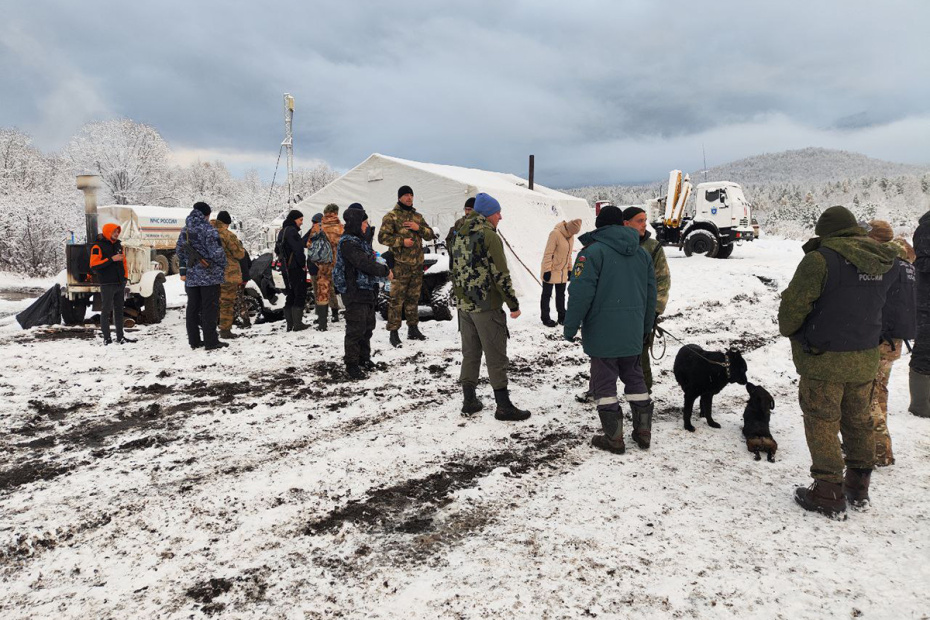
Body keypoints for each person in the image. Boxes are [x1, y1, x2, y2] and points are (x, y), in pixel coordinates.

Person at [778, 206, 899, 517]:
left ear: (825, 232)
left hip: (824, 357)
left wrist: (792, 331)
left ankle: (828, 491)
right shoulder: (883, 259)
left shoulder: (820, 259)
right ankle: (858, 486)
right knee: (859, 421)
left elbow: (793, 308)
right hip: (865, 355)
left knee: (821, 421)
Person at [563, 205, 657, 454]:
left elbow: (579, 295)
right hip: (632, 332)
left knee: (604, 383)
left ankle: (614, 438)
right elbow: (650, 296)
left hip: (603, 333)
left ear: (599, 226)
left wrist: (570, 327)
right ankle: (643, 432)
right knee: (634, 376)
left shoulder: (591, 254)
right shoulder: (642, 254)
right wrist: (644, 328)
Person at [450, 192, 530, 421]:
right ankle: (503, 406)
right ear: (487, 215)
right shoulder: (488, 236)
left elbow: (454, 270)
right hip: (486, 306)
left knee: (470, 353)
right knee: (496, 354)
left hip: (465, 306)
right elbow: (501, 274)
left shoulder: (458, 233)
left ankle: (469, 400)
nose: (500, 217)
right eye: (497, 213)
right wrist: (513, 304)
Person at [867, 221, 916, 466]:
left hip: (880, 339)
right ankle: (879, 446)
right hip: (896, 340)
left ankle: (879, 450)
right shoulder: (908, 266)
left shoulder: (886, 265)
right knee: (881, 391)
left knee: (869, 396)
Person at [334, 206, 392, 379]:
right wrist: (384, 271)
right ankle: (351, 364)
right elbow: (363, 263)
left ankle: (364, 359)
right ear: (356, 223)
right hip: (354, 291)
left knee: (367, 327)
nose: (367, 226)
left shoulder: (359, 241)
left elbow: (370, 257)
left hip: (367, 289)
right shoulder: (348, 243)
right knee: (355, 329)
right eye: (364, 222)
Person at [379, 185, 435, 347]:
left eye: (411, 195)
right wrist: (401, 242)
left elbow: (431, 234)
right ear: (399, 198)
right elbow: (382, 238)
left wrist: (420, 228)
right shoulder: (392, 217)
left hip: (417, 265)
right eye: (406, 195)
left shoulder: (417, 217)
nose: (409, 198)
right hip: (400, 266)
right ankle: (394, 332)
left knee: (413, 298)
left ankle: (413, 329)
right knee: (396, 300)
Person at [623, 206, 671, 390]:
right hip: (618, 310)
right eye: (639, 221)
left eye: (645, 220)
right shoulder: (616, 246)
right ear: (626, 224)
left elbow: (663, 280)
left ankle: (644, 393)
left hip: (643, 313)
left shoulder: (653, 247)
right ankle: (598, 388)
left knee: (640, 356)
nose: (644, 224)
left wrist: (656, 310)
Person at [176, 202, 228, 350]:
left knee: (192, 309)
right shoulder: (208, 230)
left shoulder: (185, 230)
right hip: (209, 276)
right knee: (209, 309)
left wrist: (189, 261)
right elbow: (216, 253)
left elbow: (179, 251)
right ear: (206, 214)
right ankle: (211, 341)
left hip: (192, 277)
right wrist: (222, 265)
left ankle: (194, 341)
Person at [89, 222, 135, 345]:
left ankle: (120, 337)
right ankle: (107, 338)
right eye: (114, 231)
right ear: (108, 232)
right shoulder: (97, 247)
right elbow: (94, 265)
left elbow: (123, 262)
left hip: (120, 283)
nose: (116, 234)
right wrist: (111, 259)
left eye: (118, 232)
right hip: (107, 283)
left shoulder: (118, 245)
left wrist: (125, 277)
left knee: (119, 310)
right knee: (106, 311)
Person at [539, 218, 582, 327]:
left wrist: (569, 269)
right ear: (569, 228)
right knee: (547, 294)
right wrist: (547, 270)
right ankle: (545, 318)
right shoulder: (555, 234)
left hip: (562, 271)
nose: (573, 234)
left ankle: (562, 317)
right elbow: (548, 253)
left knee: (561, 295)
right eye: (573, 232)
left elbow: (569, 255)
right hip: (551, 269)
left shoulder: (571, 237)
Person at [212, 211, 246, 340]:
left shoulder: (207, 232)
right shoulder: (227, 235)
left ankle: (210, 329)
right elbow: (239, 254)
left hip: (210, 274)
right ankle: (225, 330)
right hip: (228, 273)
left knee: (212, 302)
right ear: (227, 223)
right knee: (226, 302)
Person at [909, 210, 930, 418]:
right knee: (924, 352)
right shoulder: (926, 228)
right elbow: (923, 262)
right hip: (926, 303)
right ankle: (921, 406)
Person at [276, 209, 310, 332]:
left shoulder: (282, 231)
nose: (301, 222)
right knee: (299, 293)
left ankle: (290, 324)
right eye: (300, 220)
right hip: (295, 267)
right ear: (294, 219)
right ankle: (298, 323)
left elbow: (277, 250)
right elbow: (298, 250)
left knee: (290, 294)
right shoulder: (292, 231)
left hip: (285, 268)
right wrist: (302, 264)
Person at [313, 204, 344, 331]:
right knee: (343, 290)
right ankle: (342, 316)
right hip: (338, 266)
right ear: (336, 213)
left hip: (323, 266)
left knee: (322, 293)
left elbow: (310, 245)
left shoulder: (318, 228)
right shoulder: (341, 228)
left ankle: (322, 324)